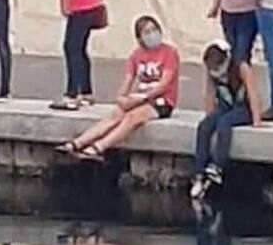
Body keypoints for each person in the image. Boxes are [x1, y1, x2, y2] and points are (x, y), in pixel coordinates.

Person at [54, 15, 179, 162]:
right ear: (139, 38)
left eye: (154, 30)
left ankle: (99, 147)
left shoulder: (169, 53)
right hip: (139, 98)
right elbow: (128, 80)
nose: (152, 35)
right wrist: (121, 98)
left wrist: (143, 98)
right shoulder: (136, 56)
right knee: (115, 114)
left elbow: (164, 84)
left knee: (132, 117)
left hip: (161, 101)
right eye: (147, 32)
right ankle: (77, 143)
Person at [190, 40, 264, 200]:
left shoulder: (241, 67)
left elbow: (253, 92)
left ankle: (217, 166)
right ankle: (199, 171)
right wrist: (209, 116)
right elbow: (209, 94)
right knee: (204, 126)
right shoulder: (211, 73)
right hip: (226, 106)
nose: (218, 74)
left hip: (243, 108)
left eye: (219, 69)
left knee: (224, 124)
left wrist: (257, 120)